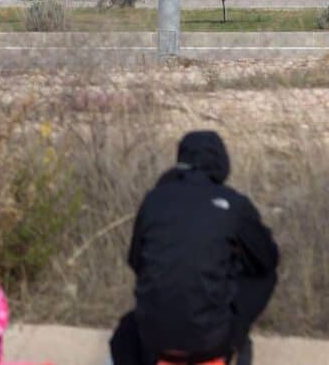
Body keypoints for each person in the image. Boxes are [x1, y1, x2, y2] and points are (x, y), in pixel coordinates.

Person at [111, 131, 279, 365]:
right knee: (266, 275)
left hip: (154, 338)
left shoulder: (153, 200)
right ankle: (235, 345)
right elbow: (268, 259)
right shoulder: (233, 204)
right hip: (211, 342)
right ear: (222, 163)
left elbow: (136, 261)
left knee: (126, 332)